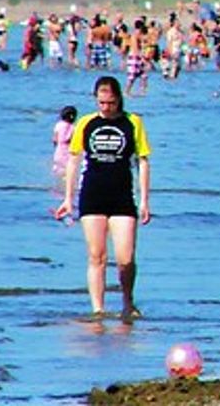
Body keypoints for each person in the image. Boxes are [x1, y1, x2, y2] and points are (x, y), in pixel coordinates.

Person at [53, 77, 152, 323]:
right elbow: (74, 160)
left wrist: (145, 201)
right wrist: (68, 198)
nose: (106, 107)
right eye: (101, 102)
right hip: (92, 196)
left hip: (122, 198)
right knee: (96, 255)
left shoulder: (133, 122)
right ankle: (98, 310)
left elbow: (142, 161)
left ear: (119, 99)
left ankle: (128, 302)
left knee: (125, 258)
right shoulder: (86, 123)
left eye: (110, 102)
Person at [51, 105, 78, 178]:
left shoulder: (58, 125)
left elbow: (54, 140)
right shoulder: (74, 128)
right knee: (68, 171)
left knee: (58, 171)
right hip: (69, 152)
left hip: (59, 151)